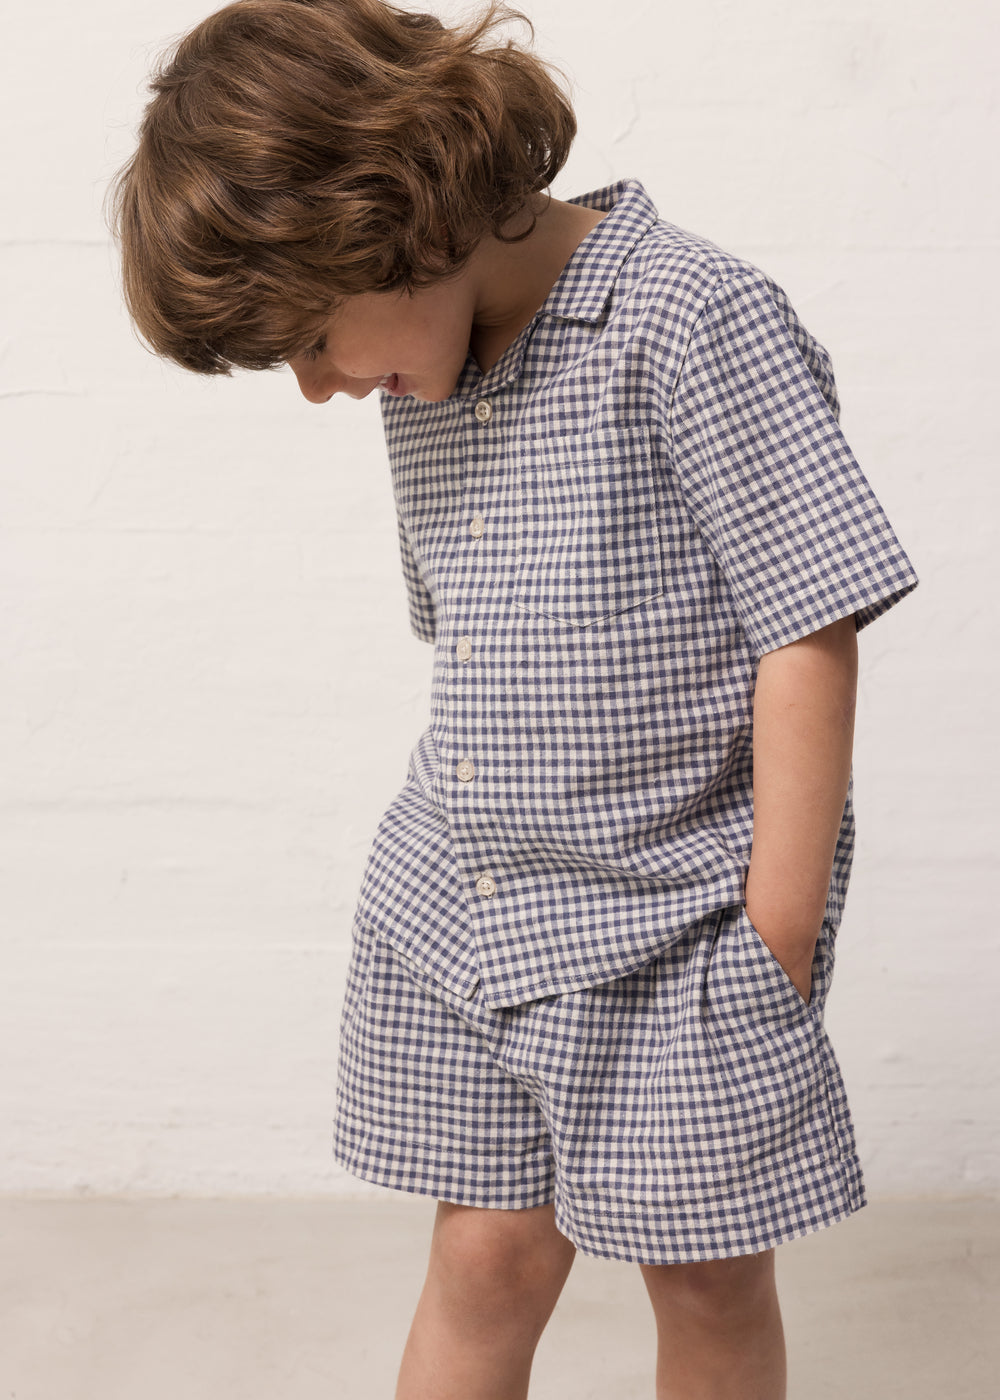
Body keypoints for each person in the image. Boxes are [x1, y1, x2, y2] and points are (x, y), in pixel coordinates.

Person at [107, 2, 920, 1395]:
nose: (318, 389)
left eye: (312, 338)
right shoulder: (423, 379)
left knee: (709, 1275)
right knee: (482, 1258)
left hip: (672, 927)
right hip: (466, 915)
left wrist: (774, 941)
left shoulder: (690, 320)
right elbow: (477, 651)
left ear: (397, 221)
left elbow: (809, 622)